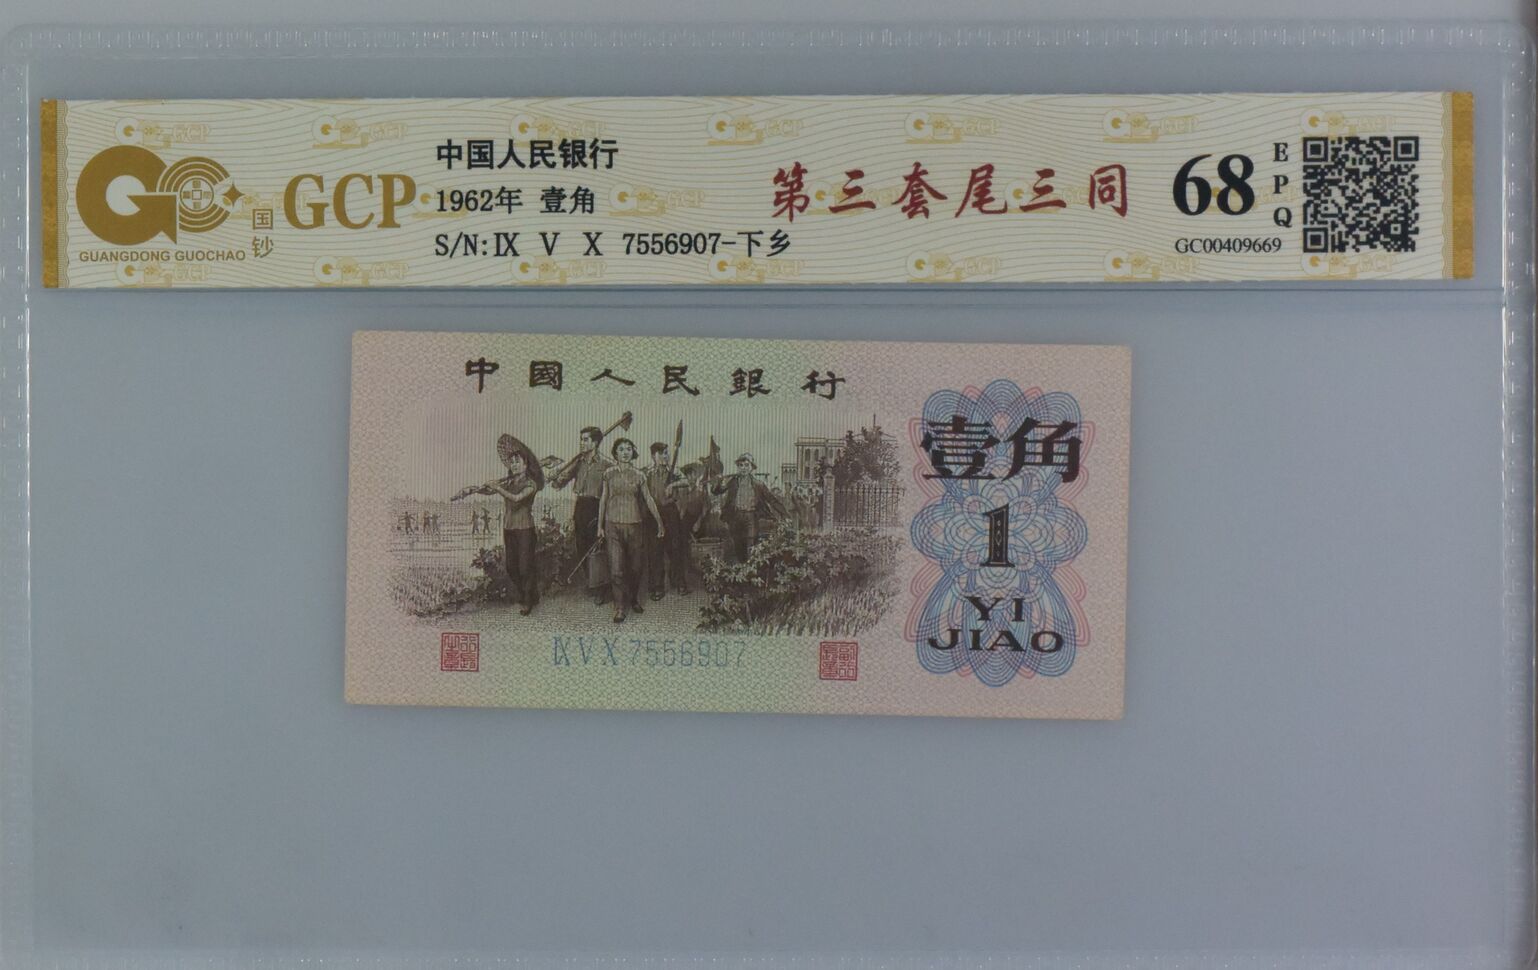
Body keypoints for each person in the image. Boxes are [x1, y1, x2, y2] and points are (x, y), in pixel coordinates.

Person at [598, 438, 665, 623]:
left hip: (635, 526)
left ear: (633, 452)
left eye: (628, 449)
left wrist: (660, 522)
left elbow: (649, 499)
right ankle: (620, 607)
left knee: (636, 568)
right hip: (612, 526)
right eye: (621, 449)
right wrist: (599, 526)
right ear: (615, 453)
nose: (625, 452)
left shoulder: (639, 475)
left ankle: (633, 598)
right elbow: (603, 499)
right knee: (616, 569)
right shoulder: (608, 474)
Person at [550, 426, 611, 604]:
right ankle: (592, 582)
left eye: (585, 440)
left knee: (597, 548)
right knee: (582, 547)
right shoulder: (578, 463)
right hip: (580, 507)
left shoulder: (607, 465)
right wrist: (554, 475)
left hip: (598, 507)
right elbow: (558, 484)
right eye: (581, 439)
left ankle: (601, 588)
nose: (582, 443)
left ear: (595, 442)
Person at [712, 453, 786, 562]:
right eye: (741, 465)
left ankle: (751, 566)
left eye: (746, 465)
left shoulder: (758, 484)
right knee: (738, 543)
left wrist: (785, 514)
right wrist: (718, 482)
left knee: (752, 543)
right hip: (736, 517)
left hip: (751, 517)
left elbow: (772, 500)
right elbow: (716, 492)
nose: (743, 468)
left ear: (752, 468)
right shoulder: (732, 482)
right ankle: (742, 567)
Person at [644, 442, 692, 598]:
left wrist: (673, 485)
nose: (666, 456)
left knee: (675, 548)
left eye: (666, 453)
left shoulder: (673, 471)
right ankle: (657, 586)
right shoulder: (648, 473)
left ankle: (679, 582)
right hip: (653, 514)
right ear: (654, 456)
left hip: (670, 513)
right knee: (655, 550)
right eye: (662, 453)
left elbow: (687, 482)